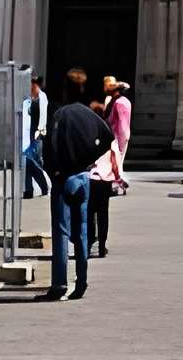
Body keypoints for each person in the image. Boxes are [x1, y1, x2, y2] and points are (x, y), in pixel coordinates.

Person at [37, 69, 113, 302]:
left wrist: (53, 169)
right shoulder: (90, 115)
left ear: (65, 89)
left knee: (61, 231)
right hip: (83, 177)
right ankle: (81, 281)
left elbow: (50, 146)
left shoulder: (60, 115)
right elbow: (108, 138)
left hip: (64, 178)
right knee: (82, 232)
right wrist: (88, 158)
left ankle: (60, 283)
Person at [86, 93, 120, 257]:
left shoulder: (87, 133)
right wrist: (118, 176)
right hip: (105, 179)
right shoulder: (108, 133)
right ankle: (101, 245)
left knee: (90, 212)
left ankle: (90, 241)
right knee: (103, 213)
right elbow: (115, 156)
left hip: (91, 177)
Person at [23, 74, 51, 199]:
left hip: (37, 134)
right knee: (26, 161)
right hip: (26, 134)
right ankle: (28, 189)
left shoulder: (42, 97)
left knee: (35, 162)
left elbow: (43, 115)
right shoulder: (28, 99)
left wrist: (39, 131)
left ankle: (44, 185)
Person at [102, 76, 132, 191]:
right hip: (115, 136)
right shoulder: (114, 101)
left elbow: (122, 125)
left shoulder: (120, 103)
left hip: (117, 137)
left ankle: (119, 184)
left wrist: (120, 141)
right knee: (114, 163)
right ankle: (117, 184)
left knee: (116, 163)